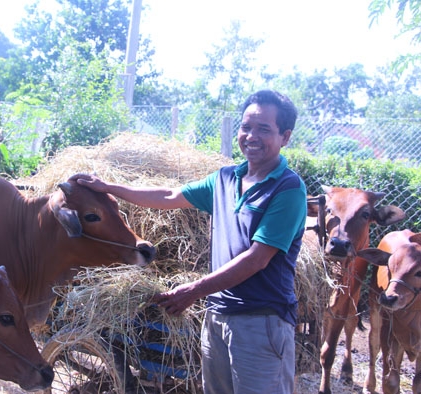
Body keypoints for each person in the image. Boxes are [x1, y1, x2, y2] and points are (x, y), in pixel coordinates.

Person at [73, 89, 306, 394]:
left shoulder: (288, 189)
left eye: (264, 129)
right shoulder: (225, 179)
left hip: (260, 322)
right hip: (218, 315)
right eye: (246, 127)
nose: (251, 136)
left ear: (284, 137)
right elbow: (169, 196)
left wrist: (194, 290)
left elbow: (257, 258)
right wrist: (109, 188)